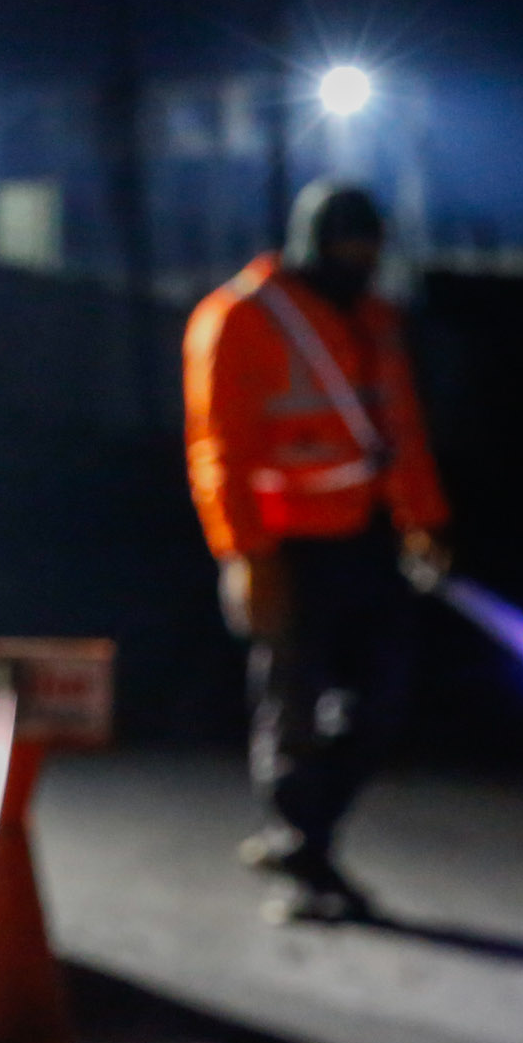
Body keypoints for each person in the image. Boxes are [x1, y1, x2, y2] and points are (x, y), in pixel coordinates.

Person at [183, 180, 447, 923]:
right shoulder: (237, 317)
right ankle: (304, 852)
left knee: (384, 696)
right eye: (346, 248)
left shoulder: (377, 318)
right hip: (284, 543)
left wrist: (424, 518)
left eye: (370, 249)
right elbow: (218, 452)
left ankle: (303, 834)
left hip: (364, 535)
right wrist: (245, 556)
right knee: (290, 705)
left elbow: (401, 426)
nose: (360, 261)